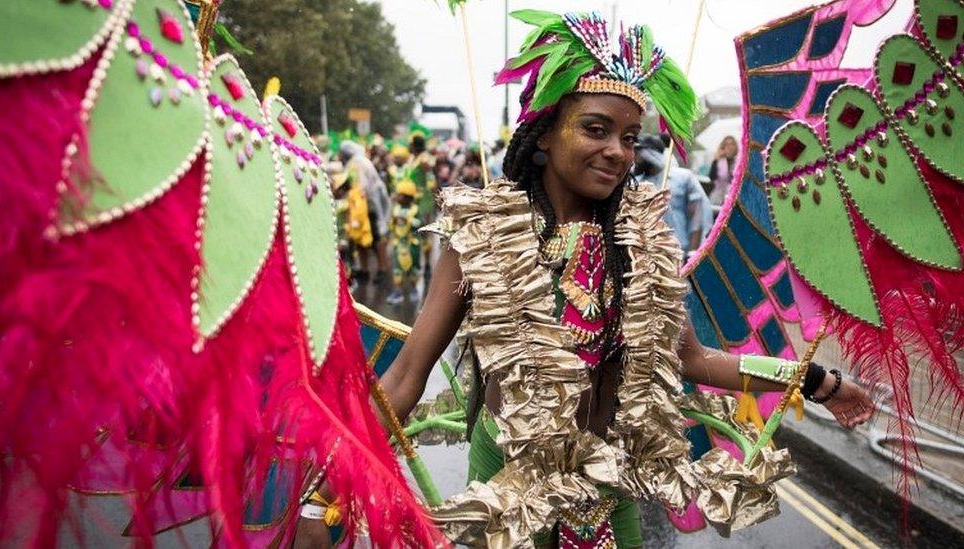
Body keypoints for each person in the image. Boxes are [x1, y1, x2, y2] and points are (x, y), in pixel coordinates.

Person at [305, 11, 873, 547]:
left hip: (606, 490)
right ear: (545, 134)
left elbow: (695, 362)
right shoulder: (481, 234)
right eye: (596, 129)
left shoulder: (644, 243)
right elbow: (405, 377)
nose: (618, 152)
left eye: (629, 137)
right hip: (504, 491)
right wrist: (322, 499)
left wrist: (816, 381)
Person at [634, 133, 712, 260]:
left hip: (678, 252)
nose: (635, 158)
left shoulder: (683, 178)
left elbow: (697, 217)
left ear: (650, 155)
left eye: (638, 153)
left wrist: (692, 253)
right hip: (645, 255)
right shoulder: (635, 182)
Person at [339, 140, 390, 284]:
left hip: (368, 207)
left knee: (375, 239)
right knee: (360, 239)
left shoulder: (358, 163)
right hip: (360, 208)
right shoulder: (356, 162)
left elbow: (361, 187)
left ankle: (382, 269)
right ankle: (364, 269)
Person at [386, 180, 423, 305]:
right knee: (397, 269)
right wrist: (393, 223)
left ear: (407, 197)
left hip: (412, 244)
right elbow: (391, 225)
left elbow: (420, 224)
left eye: (400, 195)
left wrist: (408, 220)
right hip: (398, 244)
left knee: (413, 268)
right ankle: (398, 292)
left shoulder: (415, 209)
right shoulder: (395, 209)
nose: (397, 197)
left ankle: (414, 289)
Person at [708, 135, 738, 206]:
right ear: (723, 147)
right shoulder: (719, 161)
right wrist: (716, 160)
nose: (729, 147)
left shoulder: (738, 162)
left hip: (732, 199)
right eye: (727, 144)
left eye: (732, 144)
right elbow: (711, 177)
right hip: (717, 199)